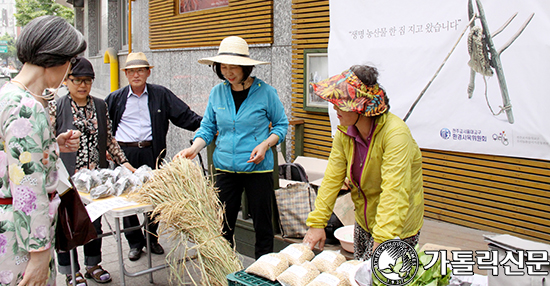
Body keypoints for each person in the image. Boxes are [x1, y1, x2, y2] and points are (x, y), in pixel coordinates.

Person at [177, 36, 289, 259]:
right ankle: (224, 269)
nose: (228, 72)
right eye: (223, 67)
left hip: (259, 169)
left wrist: (266, 144)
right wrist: (195, 148)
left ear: (246, 67)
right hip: (225, 168)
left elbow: (281, 125)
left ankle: (262, 272)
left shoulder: (266, 92)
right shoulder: (217, 93)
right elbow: (208, 127)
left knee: (263, 225)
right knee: (223, 224)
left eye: (233, 67)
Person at [302, 65, 424, 260]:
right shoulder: (345, 132)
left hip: (396, 228)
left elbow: (394, 191)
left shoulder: (396, 135)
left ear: (360, 106)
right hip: (364, 221)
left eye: (341, 103)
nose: (334, 108)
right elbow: (332, 178)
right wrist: (317, 222)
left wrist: (383, 240)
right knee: (359, 273)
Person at [0, 15, 85, 286]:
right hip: (23, 236)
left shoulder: (9, 95)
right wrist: (39, 253)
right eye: (70, 61)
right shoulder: (27, 108)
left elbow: (14, 157)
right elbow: (28, 185)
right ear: (57, 58)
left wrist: (50, 146)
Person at [104, 52, 202, 261]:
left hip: (152, 151)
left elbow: (184, 116)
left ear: (148, 72)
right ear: (125, 74)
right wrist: (106, 148)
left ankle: (152, 238)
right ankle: (134, 243)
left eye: (140, 70)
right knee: (126, 198)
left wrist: (209, 125)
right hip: (124, 154)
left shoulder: (160, 94)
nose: (136, 74)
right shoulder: (115, 98)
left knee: (154, 197)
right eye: (131, 71)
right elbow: (103, 125)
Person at [50, 57, 137, 285]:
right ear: (67, 81)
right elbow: (47, 143)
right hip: (66, 181)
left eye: (87, 80)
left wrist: (125, 164)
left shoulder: (100, 105)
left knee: (94, 223)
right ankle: (71, 270)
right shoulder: (56, 106)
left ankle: (93, 264)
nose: (82, 85)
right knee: (68, 225)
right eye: (77, 80)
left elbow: (109, 140)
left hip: (96, 179)